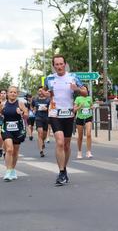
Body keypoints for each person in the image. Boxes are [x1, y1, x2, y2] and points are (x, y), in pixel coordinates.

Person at [44, 54, 87, 186]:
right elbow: (48, 93)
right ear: (54, 66)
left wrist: (78, 89)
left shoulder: (73, 77)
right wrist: (46, 94)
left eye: (61, 64)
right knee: (60, 142)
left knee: (67, 145)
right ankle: (61, 172)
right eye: (56, 64)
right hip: (54, 113)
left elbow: (86, 92)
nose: (59, 67)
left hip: (68, 114)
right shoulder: (49, 78)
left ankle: (64, 168)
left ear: (65, 64)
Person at [0, 86, 28, 181]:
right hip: (6, 129)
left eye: (15, 92)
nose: (13, 94)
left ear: (17, 94)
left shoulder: (20, 103)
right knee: (9, 149)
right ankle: (8, 172)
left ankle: (12, 170)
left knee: (15, 151)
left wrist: (21, 113)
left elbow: (26, 115)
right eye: (11, 92)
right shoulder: (3, 104)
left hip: (18, 130)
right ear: (7, 93)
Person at [74, 85, 93, 159]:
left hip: (88, 116)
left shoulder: (89, 98)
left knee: (88, 134)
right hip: (80, 117)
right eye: (83, 89)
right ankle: (79, 152)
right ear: (80, 91)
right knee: (80, 136)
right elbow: (74, 109)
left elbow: (91, 105)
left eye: (86, 89)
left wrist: (92, 107)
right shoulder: (78, 98)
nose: (85, 91)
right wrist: (79, 107)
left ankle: (88, 152)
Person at [32, 86, 50, 158]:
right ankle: (41, 151)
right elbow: (32, 106)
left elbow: (52, 108)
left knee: (44, 135)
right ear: (38, 92)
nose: (41, 92)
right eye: (39, 91)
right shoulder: (35, 99)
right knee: (40, 132)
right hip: (38, 118)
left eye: (42, 91)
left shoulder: (48, 100)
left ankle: (42, 142)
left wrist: (47, 108)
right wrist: (33, 110)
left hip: (46, 118)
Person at [0, 89, 7, 158]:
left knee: (5, 137)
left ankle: (5, 151)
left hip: (6, 121)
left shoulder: (8, 102)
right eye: (1, 93)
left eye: (4, 93)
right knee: (0, 137)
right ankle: (1, 148)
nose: (3, 94)